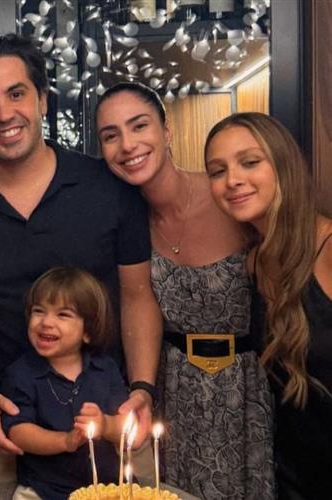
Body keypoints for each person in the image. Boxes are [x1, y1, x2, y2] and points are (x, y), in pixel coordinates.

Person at [0, 35, 162, 498]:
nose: (3, 114)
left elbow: (137, 295)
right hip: (6, 428)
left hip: (109, 420)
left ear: (42, 101)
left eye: (16, 94)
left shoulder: (107, 189)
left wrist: (142, 388)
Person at [94, 83, 273, 499]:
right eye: (110, 135)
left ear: (166, 130)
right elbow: (136, 299)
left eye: (139, 126)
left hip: (250, 389)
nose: (127, 145)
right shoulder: (128, 221)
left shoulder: (230, 195)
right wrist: (142, 388)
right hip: (175, 392)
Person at [205, 112, 332, 500]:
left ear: (283, 164)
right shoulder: (255, 263)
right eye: (217, 171)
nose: (232, 180)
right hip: (297, 472)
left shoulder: (328, 249)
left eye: (249, 162)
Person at [1, 267, 129, 500]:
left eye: (63, 314)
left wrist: (106, 425)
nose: (46, 322)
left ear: (88, 330)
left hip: (106, 489)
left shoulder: (105, 368)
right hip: (43, 490)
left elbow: (126, 425)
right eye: (39, 311)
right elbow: (18, 432)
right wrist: (65, 441)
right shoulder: (22, 373)